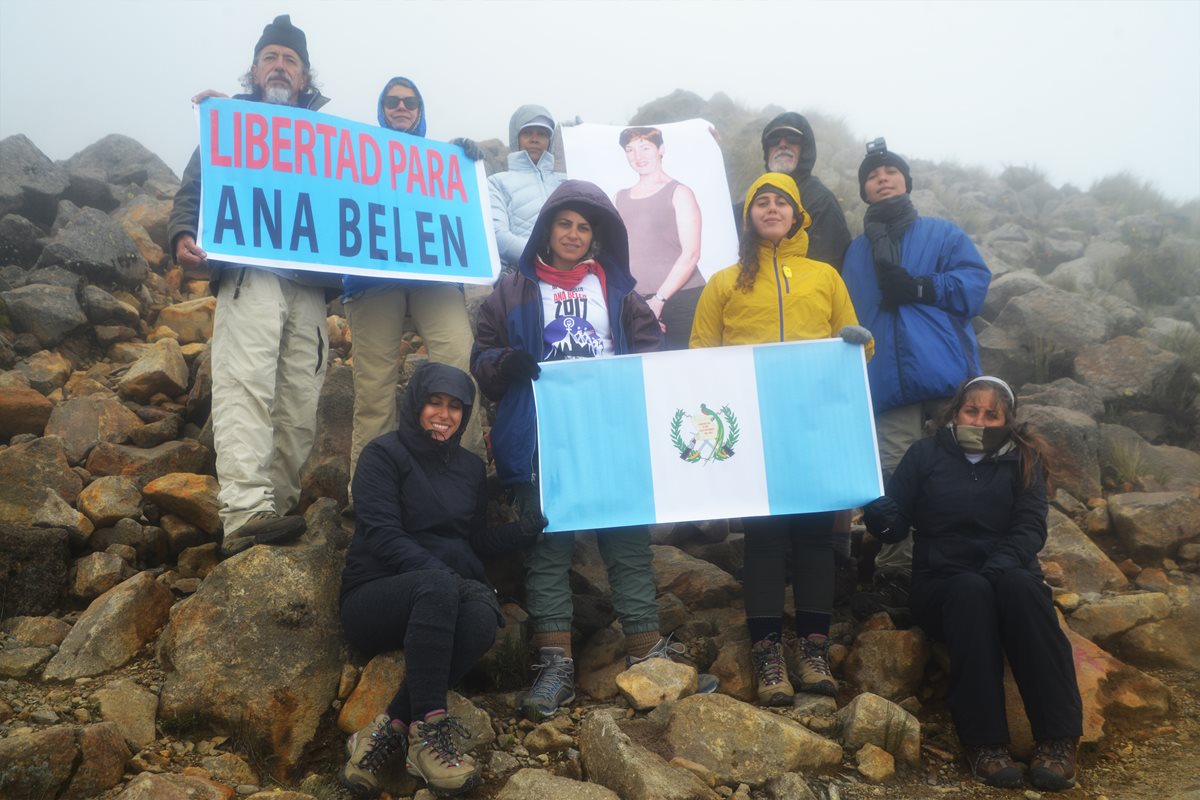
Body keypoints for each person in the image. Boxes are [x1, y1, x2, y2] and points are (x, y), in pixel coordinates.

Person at [472, 179, 712, 720]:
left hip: (612, 436)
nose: (574, 234)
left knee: (626, 543)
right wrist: (502, 363)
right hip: (541, 440)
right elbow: (482, 356)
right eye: (565, 223)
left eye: (585, 226)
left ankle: (647, 654)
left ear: (597, 236)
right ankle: (554, 664)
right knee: (548, 546)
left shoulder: (621, 292)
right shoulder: (511, 290)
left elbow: (650, 357)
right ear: (547, 229)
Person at [690, 172, 874, 705]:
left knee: (816, 535)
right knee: (766, 539)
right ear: (748, 216)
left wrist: (860, 344)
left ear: (798, 216)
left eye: (781, 203)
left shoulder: (825, 277)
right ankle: (769, 655)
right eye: (760, 202)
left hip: (813, 424)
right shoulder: (724, 282)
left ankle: (813, 652)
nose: (771, 209)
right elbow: (700, 355)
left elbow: (857, 350)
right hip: (752, 429)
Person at [862, 376, 1082, 791]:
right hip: (941, 585)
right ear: (955, 412)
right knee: (971, 592)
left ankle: (1058, 740)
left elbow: (1030, 529)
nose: (979, 420)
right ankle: (985, 745)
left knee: (1024, 589)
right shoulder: (925, 454)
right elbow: (894, 529)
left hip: (1006, 574)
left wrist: (995, 569)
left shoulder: (1023, 458)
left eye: (991, 413)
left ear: (1007, 420)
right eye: (971, 410)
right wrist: (879, 514)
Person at [338, 362, 544, 798]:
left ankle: (388, 730)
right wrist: (442, 575)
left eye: (455, 406)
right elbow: (381, 533)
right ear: (415, 404)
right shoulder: (382, 454)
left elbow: (469, 541)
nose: (444, 414)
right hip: (376, 594)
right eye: (434, 401)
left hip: (441, 594)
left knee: (482, 618)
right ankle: (431, 733)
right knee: (442, 587)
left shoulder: (470, 469)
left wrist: (519, 533)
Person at [167, 14, 331, 556]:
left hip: (309, 285)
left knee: (300, 402)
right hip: (250, 273)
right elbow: (194, 188)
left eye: (291, 60)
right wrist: (183, 232)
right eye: (271, 58)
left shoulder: (330, 139)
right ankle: (244, 513)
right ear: (256, 70)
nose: (280, 66)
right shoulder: (230, 123)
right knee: (247, 385)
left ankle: (276, 511)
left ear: (305, 77)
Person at [840, 139, 990, 614]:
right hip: (885, 379)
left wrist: (923, 286)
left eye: (891, 171)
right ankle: (899, 572)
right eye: (873, 174)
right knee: (895, 478)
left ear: (906, 181)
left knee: (964, 471)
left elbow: (974, 286)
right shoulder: (856, 251)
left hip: (947, 376)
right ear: (864, 190)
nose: (882, 178)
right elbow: (846, 307)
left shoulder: (942, 234)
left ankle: (967, 563)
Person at [343, 76, 487, 500]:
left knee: (461, 369)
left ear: (421, 110)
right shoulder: (354, 156)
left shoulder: (441, 164)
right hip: (372, 281)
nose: (401, 107)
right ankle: (369, 492)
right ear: (381, 109)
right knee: (374, 388)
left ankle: (468, 480)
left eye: (409, 101)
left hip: (435, 277)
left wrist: (466, 162)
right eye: (392, 101)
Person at [614, 127, 703, 351]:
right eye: (630, 150)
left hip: (681, 300)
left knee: (684, 372)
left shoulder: (680, 192)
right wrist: (639, 304)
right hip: (636, 304)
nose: (638, 156)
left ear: (660, 149)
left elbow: (691, 253)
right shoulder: (619, 197)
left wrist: (658, 300)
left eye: (645, 148)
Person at [735, 113, 851, 271]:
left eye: (792, 138)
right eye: (774, 139)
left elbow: (827, 269)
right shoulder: (752, 197)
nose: (782, 144)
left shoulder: (822, 201)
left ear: (806, 148)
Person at [488, 105, 567, 270]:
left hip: (569, 274)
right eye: (527, 132)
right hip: (521, 275)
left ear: (549, 141)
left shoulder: (566, 182)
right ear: (515, 138)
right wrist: (545, 257)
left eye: (542, 134)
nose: (535, 139)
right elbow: (496, 235)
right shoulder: (497, 182)